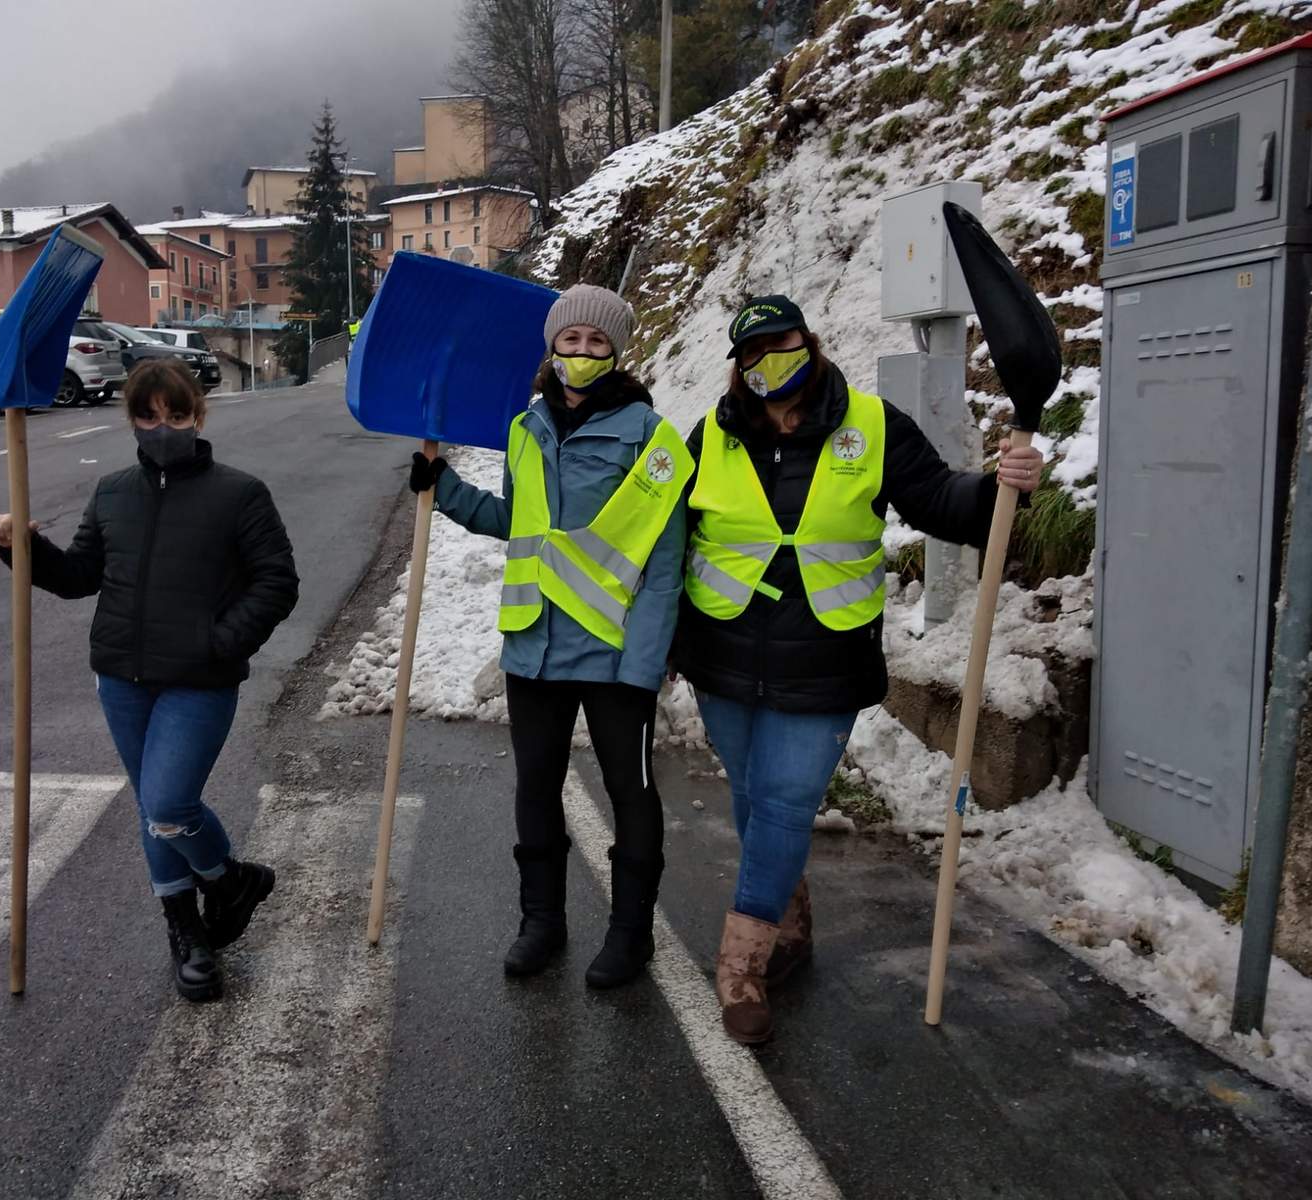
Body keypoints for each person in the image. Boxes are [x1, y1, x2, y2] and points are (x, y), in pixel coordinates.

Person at [673, 295, 1044, 1043]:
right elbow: (666, 531)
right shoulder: (712, 434)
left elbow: (938, 499)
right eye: (752, 352)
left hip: (826, 656)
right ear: (738, 366)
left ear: (809, 342)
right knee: (753, 800)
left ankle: (741, 965)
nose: (768, 361)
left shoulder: (871, 426)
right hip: (723, 654)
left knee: (785, 804)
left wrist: (998, 487)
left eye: (780, 343)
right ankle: (789, 926)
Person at [0, 358, 299, 1003]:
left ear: (198, 416)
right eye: (148, 416)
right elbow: (78, 577)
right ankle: (190, 930)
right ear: (131, 420)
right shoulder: (112, 493)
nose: (162, 428)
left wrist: (220, 643)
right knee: (152, 810)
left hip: (199, 682)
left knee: (169, 805)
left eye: (176, 415)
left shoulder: (240, 494)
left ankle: (229, 881)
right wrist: (19, 548)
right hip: (122, 679)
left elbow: (277, 582)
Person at [409, 284, 693, 988]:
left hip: (613, 649)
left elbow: (664, 565)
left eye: (597, 341)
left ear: (616, 352)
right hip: (534, 645)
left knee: (631, 793)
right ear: (553, 346)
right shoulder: (525, 428)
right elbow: (519, 524)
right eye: (572, 339)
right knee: (536, 787)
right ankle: (541, 922)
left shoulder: (649, 438)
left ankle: (630, 934)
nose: (583, 351)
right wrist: (442, 487)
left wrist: (645, 663)